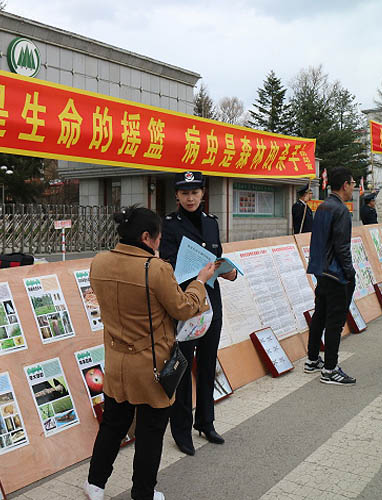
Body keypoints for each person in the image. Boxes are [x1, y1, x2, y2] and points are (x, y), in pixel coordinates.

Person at [84, 206, 215, 500]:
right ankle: (143, 492)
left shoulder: (100, 262)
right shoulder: (156, 269)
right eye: (157, 238)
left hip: (116, 362)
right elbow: (182, 307)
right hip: (151, 366)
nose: (159, 243)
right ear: (146, 237)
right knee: (150, 431)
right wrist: (200, 281)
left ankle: (95, 484)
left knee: (113, 424)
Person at [159, 171, 238, 456]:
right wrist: (196, 275)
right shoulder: (169, 225)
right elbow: (165, 264)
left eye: (195, 192)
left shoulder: (211, 223)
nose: (190, 198)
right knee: (182, 368)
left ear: (203, 194)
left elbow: (217, 258)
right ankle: (181, 430)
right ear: (177, 196)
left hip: (211, 305)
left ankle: (206, 421)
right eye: (184, 193)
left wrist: (227, 271)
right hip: (186, 305)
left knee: (207, 365)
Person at [304, 167, 356, 385]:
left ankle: (312, 359)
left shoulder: (323, 207)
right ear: (345, 185)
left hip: (321, 271)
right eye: (353, 183)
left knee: (319, 317)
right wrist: (350, 272)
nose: (354, 187)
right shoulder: (341, 210)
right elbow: (341, 247)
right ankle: (330, 369)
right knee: (334, 322)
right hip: (336, 274)